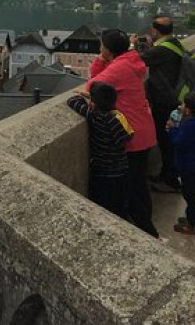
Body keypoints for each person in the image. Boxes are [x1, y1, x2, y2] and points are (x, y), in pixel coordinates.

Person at [88, 28, 159, 237]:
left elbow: (93, 86)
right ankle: (147, 225)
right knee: (139, 183)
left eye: (102, 46)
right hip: (143, 128)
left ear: (107, 49)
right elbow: (101, 79)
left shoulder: (119, 68)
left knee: (131, 189)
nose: (100, 48)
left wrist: (100, 60)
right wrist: (103, 60)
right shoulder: (130, 60)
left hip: (131, 134)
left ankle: (148, 233)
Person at [67, 81, 132, 218]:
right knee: (118, 206)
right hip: (120, 170)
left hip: (102, 171)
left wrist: (85, 96)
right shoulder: (117, 116)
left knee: (102, 207)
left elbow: (72, 101)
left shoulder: (96, 117)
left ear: (94, 103)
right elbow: (127, 137)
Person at [141, 15, 186, 191]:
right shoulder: (175, 44)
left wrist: (132, 44)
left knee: (166, 140)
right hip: (174, 100)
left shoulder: (161, 51)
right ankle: (168, 175)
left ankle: (170, 180)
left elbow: (138, 59)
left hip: (164, 102)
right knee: (169, 140)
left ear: (155, 31)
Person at [169, 94, 195, 235]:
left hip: (189, 167)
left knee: (190, 195)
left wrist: (172, 129)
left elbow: (179, 142)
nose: (181, 106)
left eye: (184, 105)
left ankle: (191, 224)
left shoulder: (190, 125)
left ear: (188, 110)